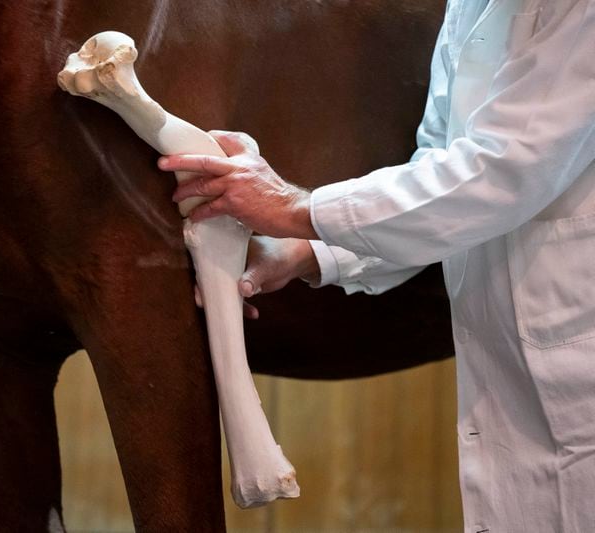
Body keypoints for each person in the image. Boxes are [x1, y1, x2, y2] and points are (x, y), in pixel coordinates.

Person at [159, 0, 595, 530]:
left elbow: (501, 172)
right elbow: (438, 172)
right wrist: (302, 254)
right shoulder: (472, 7)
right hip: (515, 389)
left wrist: (291, 207)